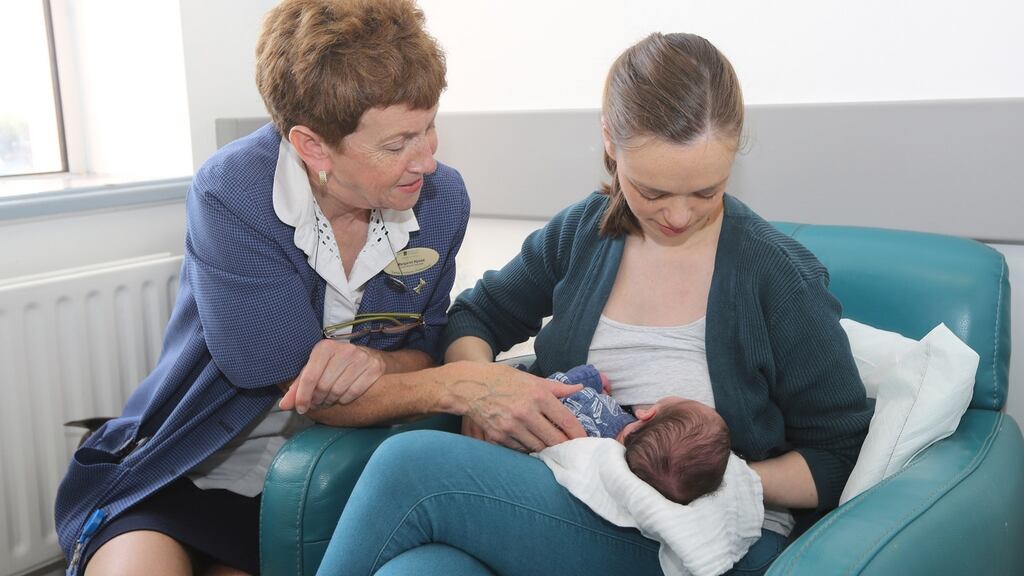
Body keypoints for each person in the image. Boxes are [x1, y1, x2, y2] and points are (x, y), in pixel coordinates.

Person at [314, 31, 873, 576]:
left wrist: (715, 475)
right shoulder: (584, 232)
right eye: (652, 191)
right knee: (423, 570)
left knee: (408, 466)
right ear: (610, 141)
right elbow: (476, 315)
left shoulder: (776, 276)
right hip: (568, 496)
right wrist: (485, 391)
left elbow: (838, 452)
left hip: (699, 533)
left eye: (707, 191)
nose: (678, 216)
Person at [51, 1, 512, 574]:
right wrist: (459, 385)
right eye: (397, 144)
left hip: (307, 479)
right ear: (313, 146)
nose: (428, 160)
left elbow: (426, 342)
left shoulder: (442, 203)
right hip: (188, 464)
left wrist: (377, 365)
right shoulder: (234, 192)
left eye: (429, 128)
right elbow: (283, 376)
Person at [551, 364, 731, 505]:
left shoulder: (592, 407)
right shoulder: (602, 468)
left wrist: (593, 377)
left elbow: (555, 385)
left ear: (647, 413)